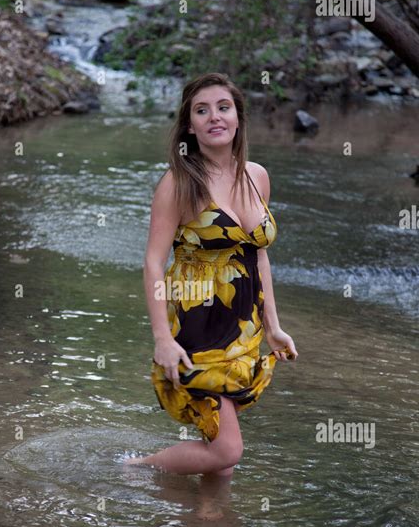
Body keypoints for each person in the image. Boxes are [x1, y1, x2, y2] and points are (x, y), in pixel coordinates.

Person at [125, 72, 298, 476]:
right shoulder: (178, 183)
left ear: (238, 117)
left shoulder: (257, 176)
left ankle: (208, 526)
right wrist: (162, 339)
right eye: (202, 111)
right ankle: (135, 469)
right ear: (190, 124)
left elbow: (258, 255)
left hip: (243, 325)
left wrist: (273, 326)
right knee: (227, 450)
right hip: (197, 322)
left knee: (219, 445)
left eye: (223, 107)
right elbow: (153, 261)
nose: (214, 117)